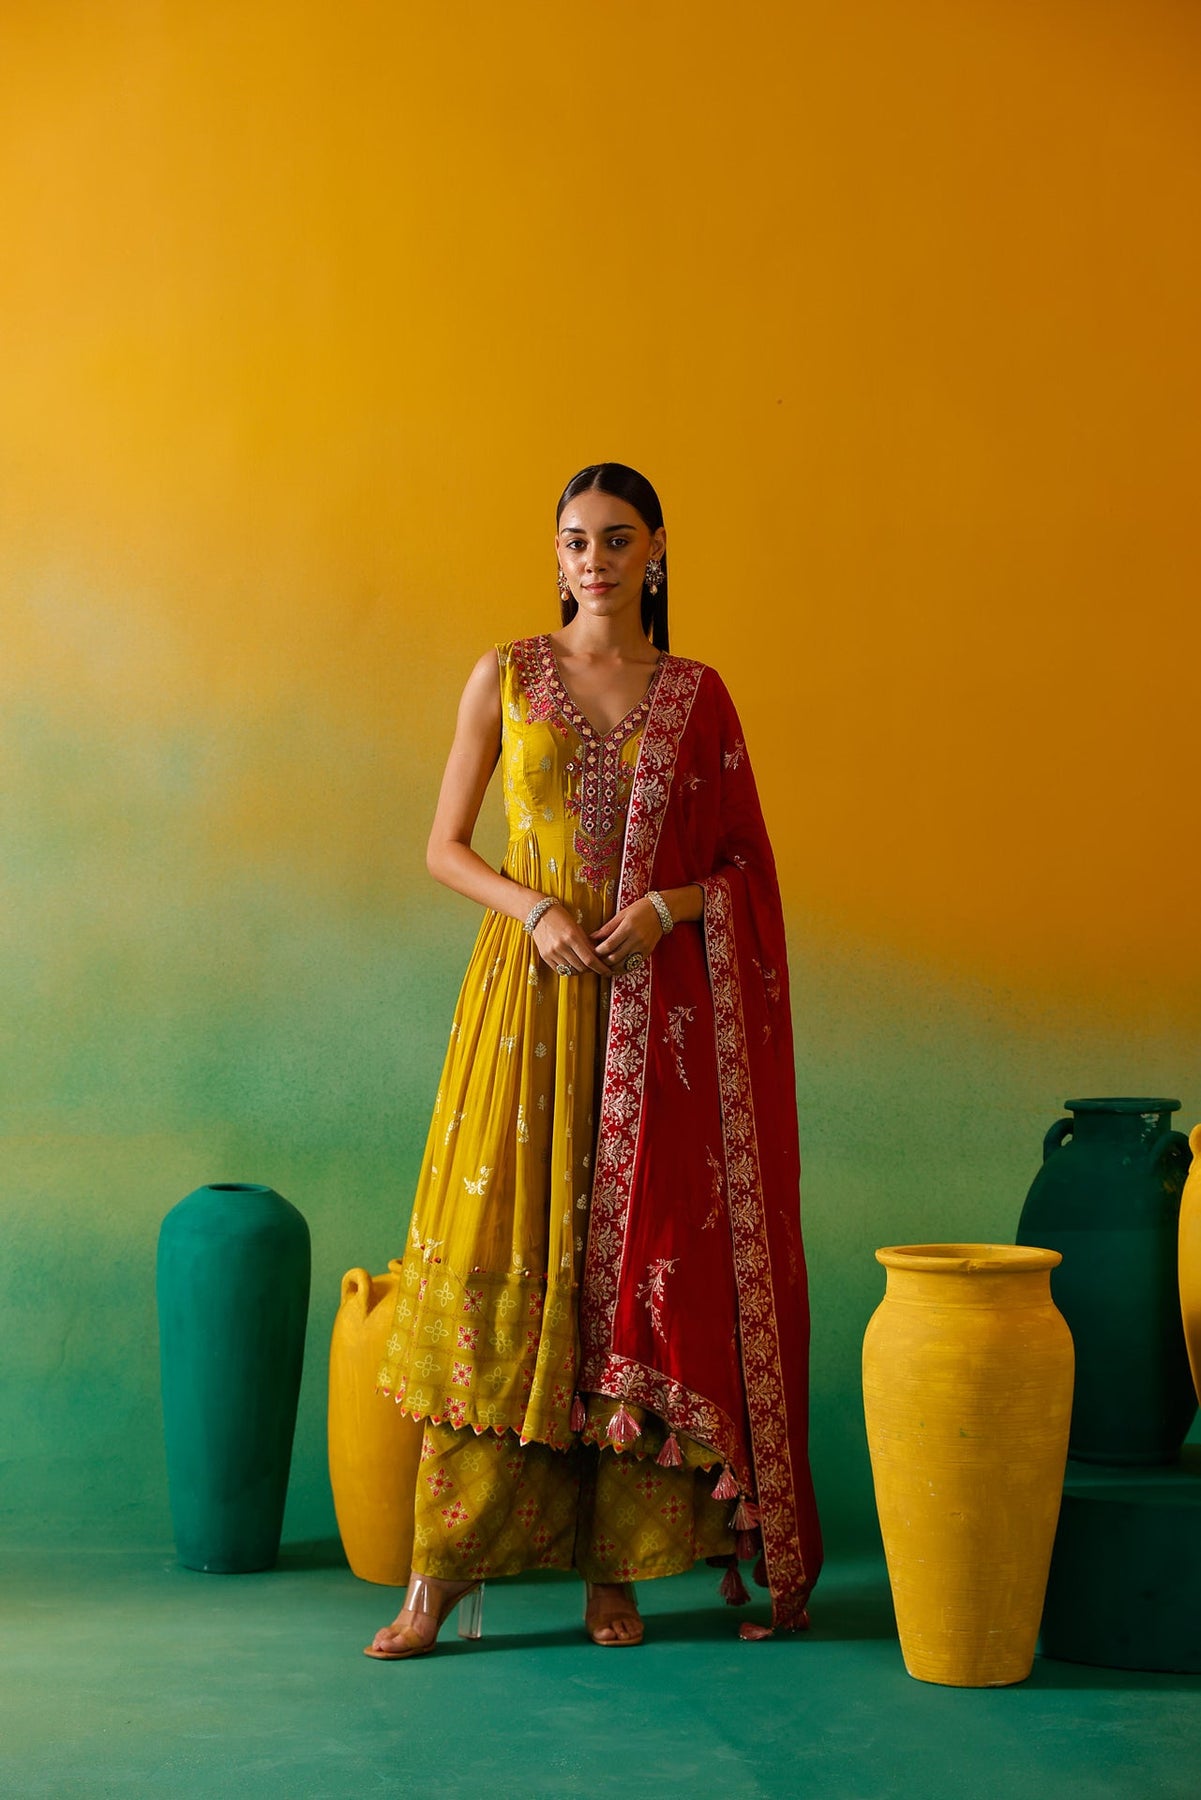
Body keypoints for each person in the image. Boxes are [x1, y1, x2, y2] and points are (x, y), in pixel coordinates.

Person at [366, 463, 822, 1658]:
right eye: (575, 541)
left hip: (653, 1026)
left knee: (629, 1273)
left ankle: (611, 1570)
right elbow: (444, 847)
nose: (595, 561)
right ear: (556, 555)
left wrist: (669, 908)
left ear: (656, 549)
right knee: (505, 1257)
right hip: (526, 1008)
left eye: (617, 540)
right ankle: (435, 1578)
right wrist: (533, 909)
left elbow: (744, 871)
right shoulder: (507, 676)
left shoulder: (697, 696)